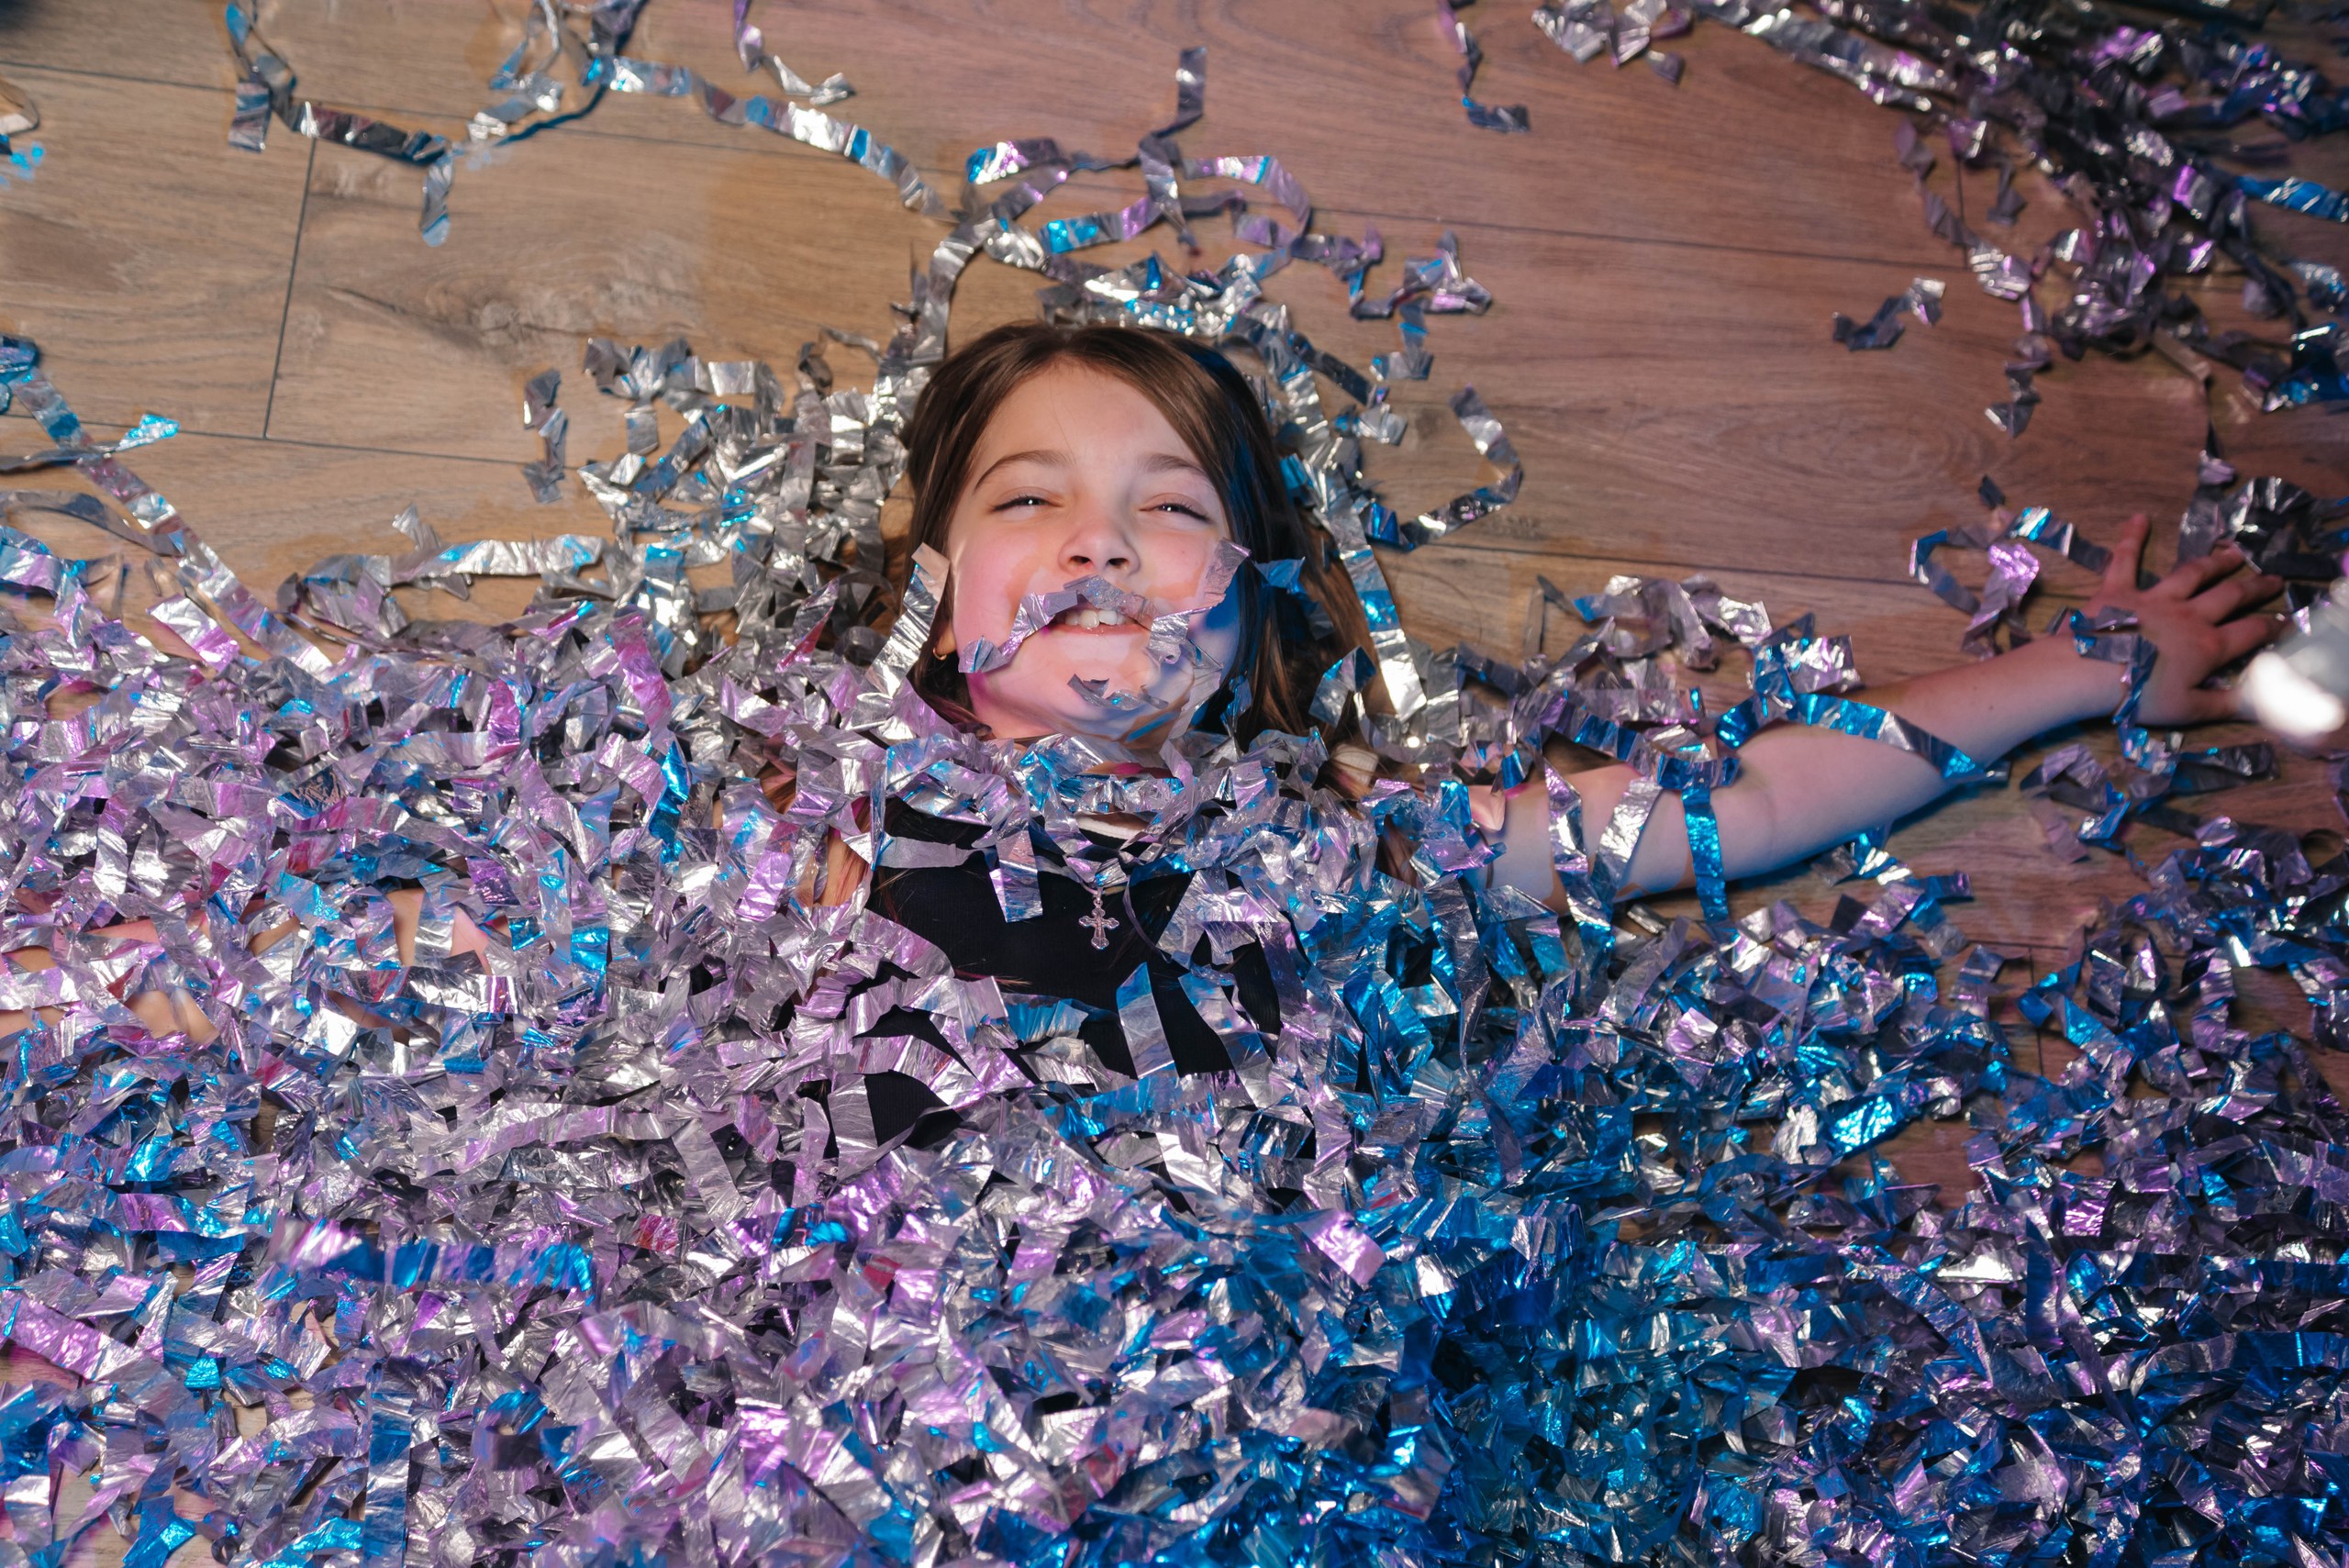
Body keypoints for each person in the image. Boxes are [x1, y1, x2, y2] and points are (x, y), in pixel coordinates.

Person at [0, 322, 2285, 1103]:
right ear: (930, 581)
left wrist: (2080, 670)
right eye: (1030, 500)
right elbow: (442, 963)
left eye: (1171, 510)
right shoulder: (792, 802)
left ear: (1251, 593)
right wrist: (106, 998)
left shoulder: (1344, 839)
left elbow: (1726, 807)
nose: (1098, 542)